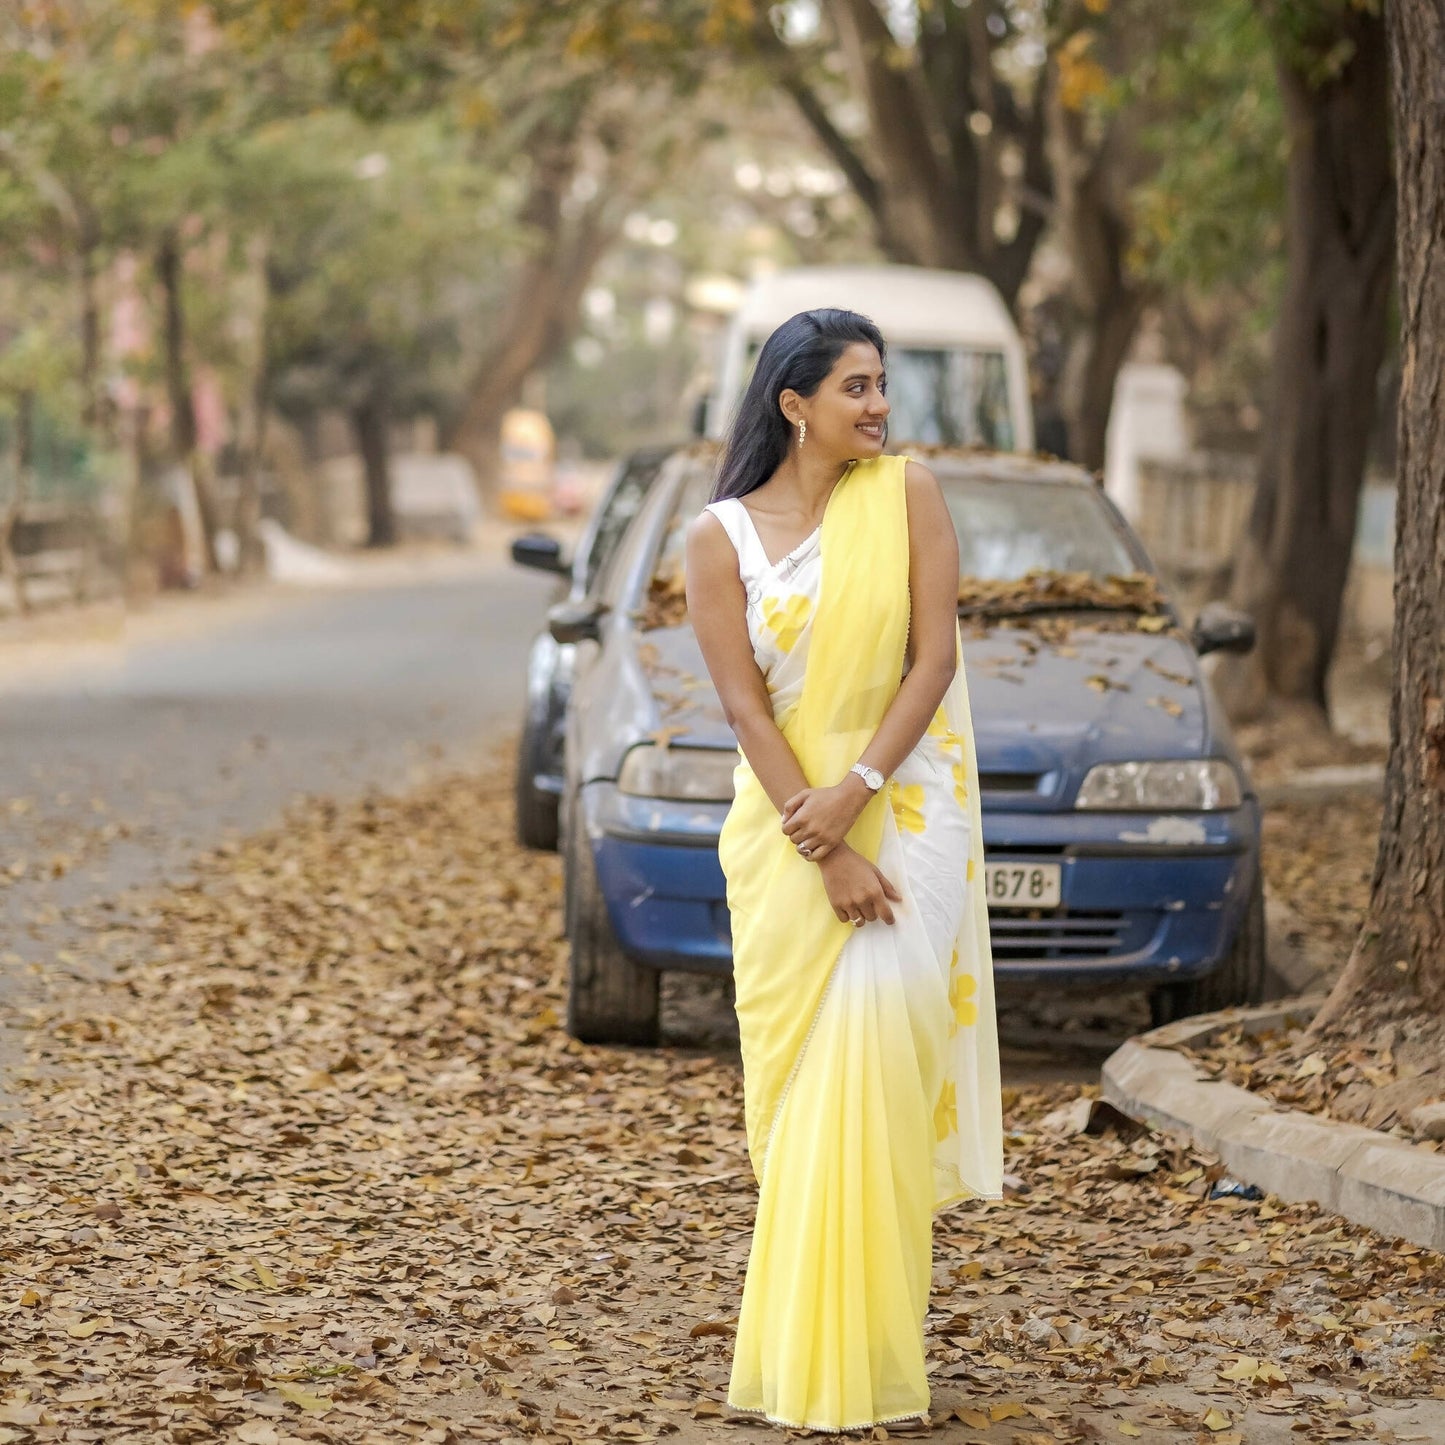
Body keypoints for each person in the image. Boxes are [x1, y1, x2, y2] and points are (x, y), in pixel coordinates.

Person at [685, 308, 1004, 1432]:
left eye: (881, 384)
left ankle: (868, 1356)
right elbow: (742, 704)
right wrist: (816, 839)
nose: (876, 405)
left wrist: (858, 794)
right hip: (782, 845)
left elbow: (932, 657)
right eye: (855, 387)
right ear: (793, 403)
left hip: (908, 816)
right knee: (806, 1096)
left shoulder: (905, 494)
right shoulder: (716, 537)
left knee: (873, 1075)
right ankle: (803, 1354)